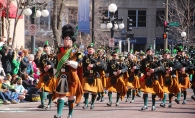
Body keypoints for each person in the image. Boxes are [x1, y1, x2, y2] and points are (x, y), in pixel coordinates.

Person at [53, 24, 83, 118]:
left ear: (72, 40)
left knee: (70, 96)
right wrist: (54, 75)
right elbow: (56, 63)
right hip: (62, 75)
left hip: (72, 75)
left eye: (68, 39)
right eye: (65, 39)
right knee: (61, 95)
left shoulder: (76, 51)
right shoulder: (60, 50)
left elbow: (79, 64)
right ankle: (59, 114)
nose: (66, 41)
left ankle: (70, 114)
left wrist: (70, 62)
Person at [140, 47, 164, 111]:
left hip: (154, 77)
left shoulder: (156, 60)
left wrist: (154, 70)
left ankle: (153, 106)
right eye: (148, 52)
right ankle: (145, 105)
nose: (149, 53)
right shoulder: (144, 61)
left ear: (152, 52)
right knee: (145, 92)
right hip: (146, 77)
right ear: (146, 53)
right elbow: (141, 69)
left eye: (150, 52)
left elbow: (162, 68)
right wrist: (146, 72)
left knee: (154, 92)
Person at [82, 44, 104, 109]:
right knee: (86, 89)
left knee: (94, 91)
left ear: (94, 50)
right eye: (88, 49)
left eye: (91, 49)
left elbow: (101, 64)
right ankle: (86, 103)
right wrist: (86, 68)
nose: (90, 50)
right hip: (87, 75)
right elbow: (83, 65)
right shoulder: (85, 57)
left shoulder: (97, 57)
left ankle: (92, 103)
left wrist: (93, 65)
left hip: (95, 75)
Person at [36, 42, 54, 109]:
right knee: (41, 88)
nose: (46, 49)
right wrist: (43, 69)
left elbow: (55, 65)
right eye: (45, 48)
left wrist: (50, 66)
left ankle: (49, 104)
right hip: (44, 74)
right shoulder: (42, 57)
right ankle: (42, 103)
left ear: (50, 48)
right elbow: (40, 65)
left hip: (52, 74)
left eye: (47, 48)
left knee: (50, 90)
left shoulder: (54, 56)